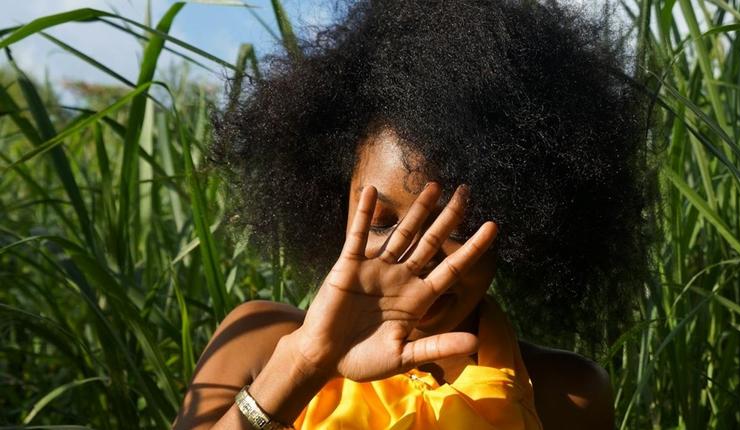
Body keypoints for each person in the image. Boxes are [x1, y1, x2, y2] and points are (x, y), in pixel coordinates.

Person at [174, 0, 657, 428]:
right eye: (381, 220)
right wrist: (303, 366)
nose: (413, 252)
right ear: (334, 205)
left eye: (457, 224)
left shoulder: (564, 393)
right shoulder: (257, 343)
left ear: (524, 225)